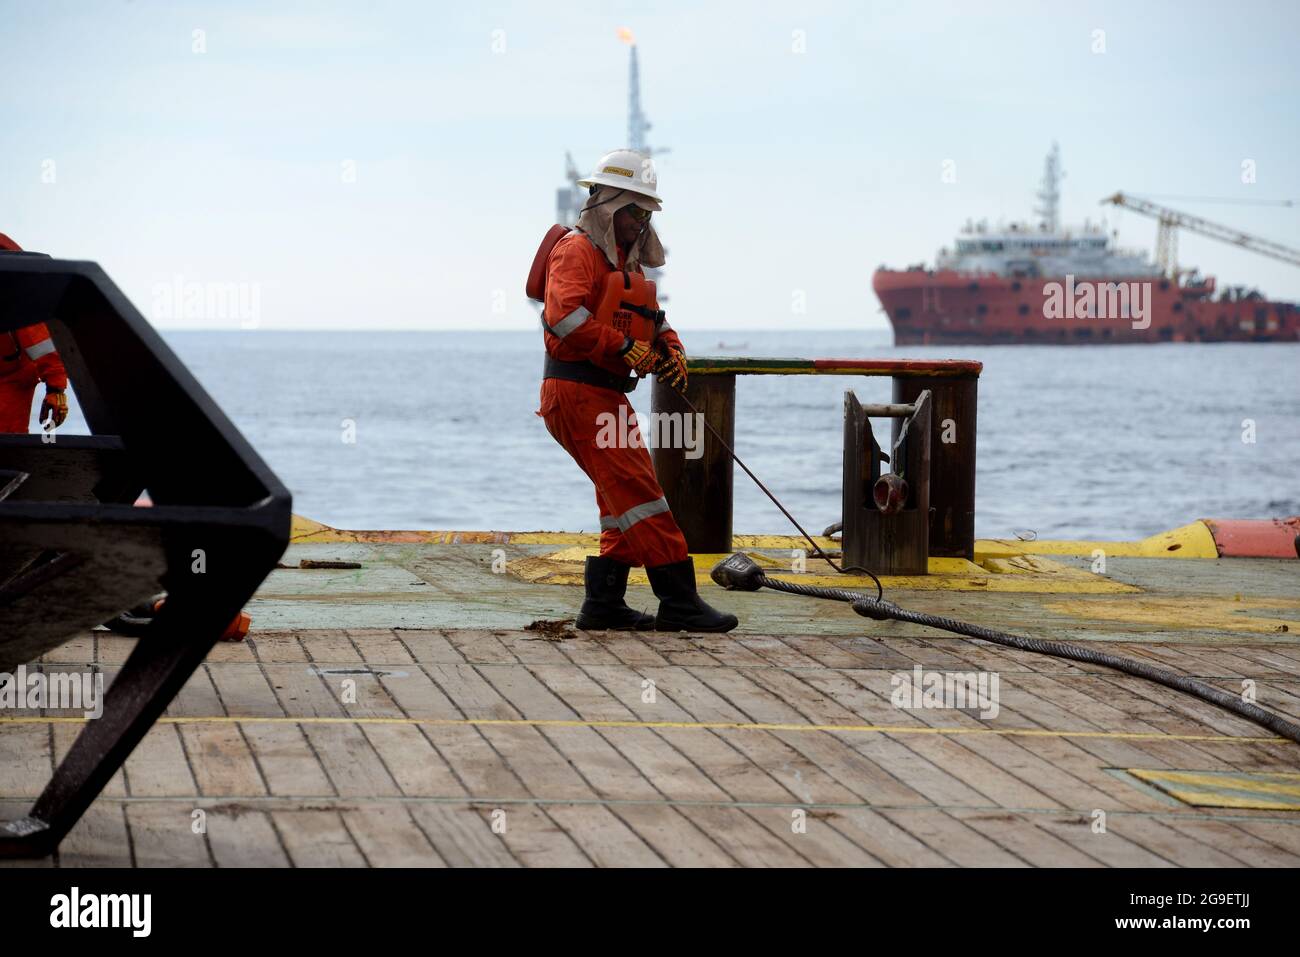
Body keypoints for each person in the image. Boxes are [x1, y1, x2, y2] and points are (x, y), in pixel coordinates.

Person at [537, 149, 737, 633]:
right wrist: (624, 347)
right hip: (577, 393)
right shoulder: (576, 250)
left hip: (602, 395)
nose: (641, 221)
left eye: (647, 212)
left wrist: (669, 348)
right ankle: (680, 602)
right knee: (643, 495)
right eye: (634, 210)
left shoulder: (623, 262)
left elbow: (652, 317)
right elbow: (563, 317)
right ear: (607, 205)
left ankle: (603, 605)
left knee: (621, 499)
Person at [0, 232, 69, 433]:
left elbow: (40, 340)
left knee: (7, 445)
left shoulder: (13, 282)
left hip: (11, 377)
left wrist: (56, 389)